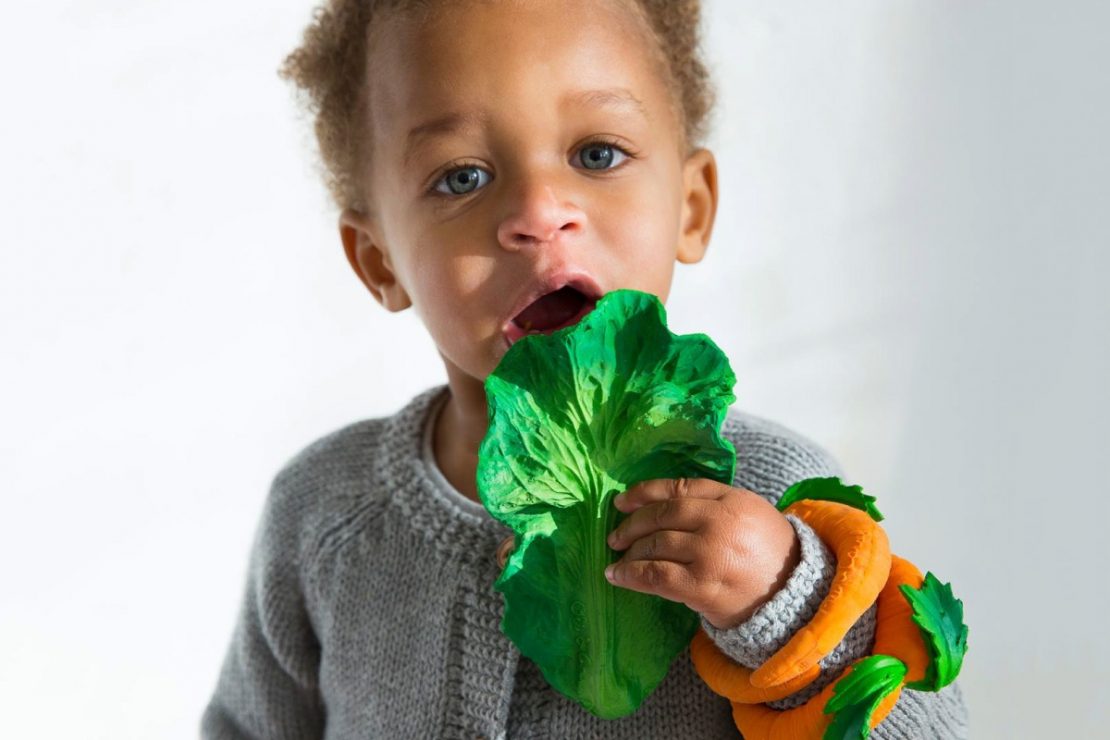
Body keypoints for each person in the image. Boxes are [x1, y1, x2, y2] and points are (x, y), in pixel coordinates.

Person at [201, 0, 969, 737]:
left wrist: (784, 605)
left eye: (597, 154)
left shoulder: (772, 494)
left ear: (691, 208)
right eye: (461, 177)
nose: (539, 212)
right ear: (379, 262)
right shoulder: (322, 512)